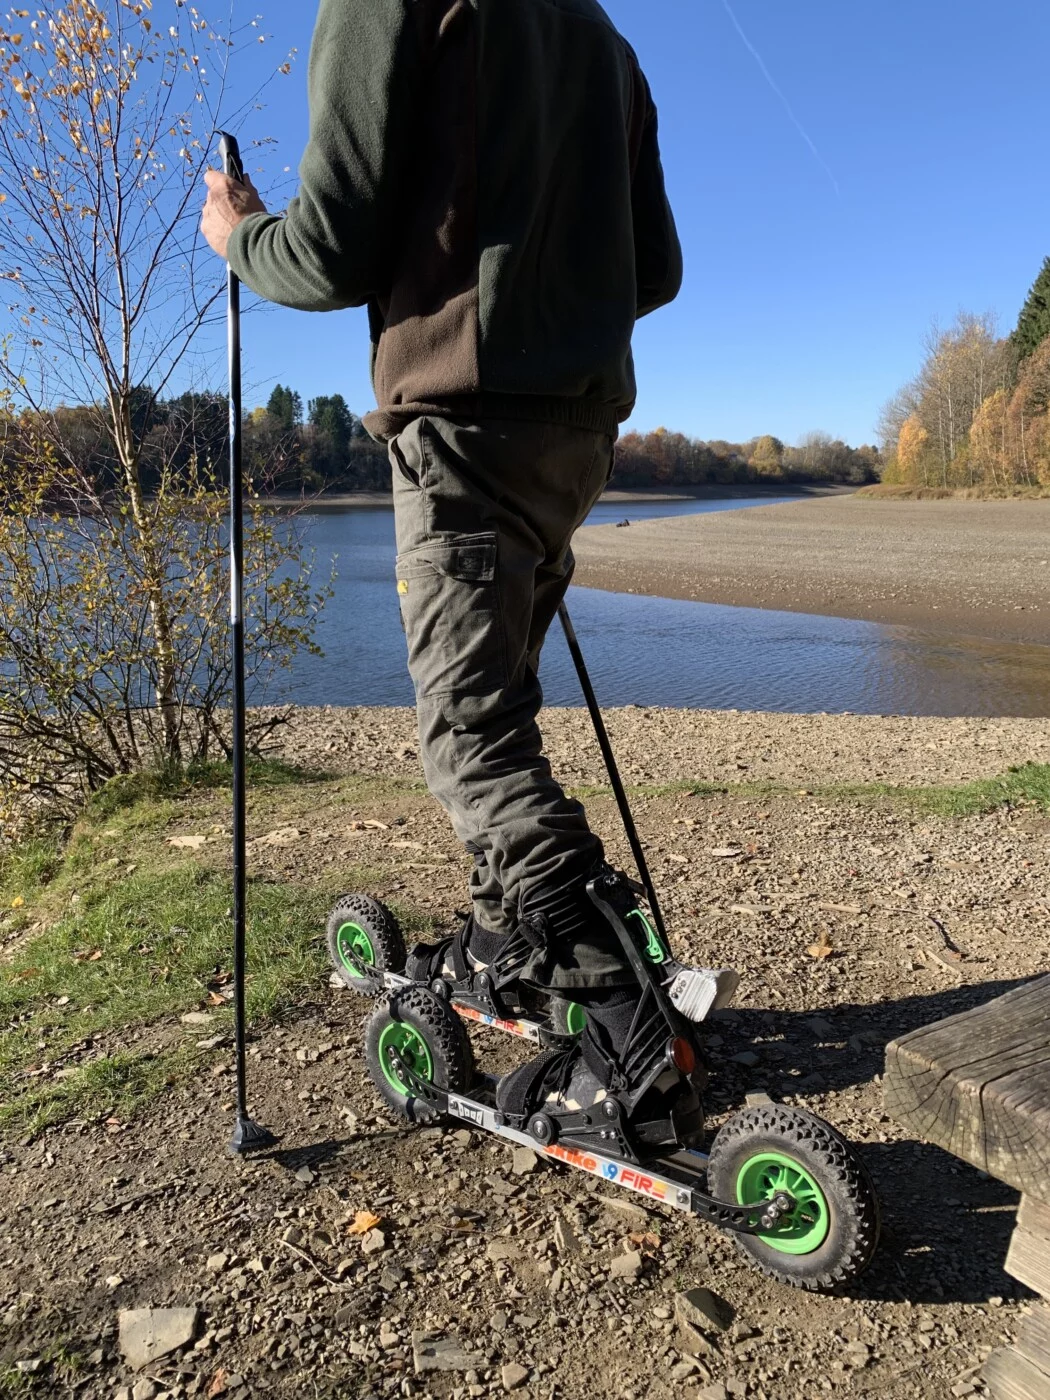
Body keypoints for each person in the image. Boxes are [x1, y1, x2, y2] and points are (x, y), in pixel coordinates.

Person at [202, 0, 729, 1145]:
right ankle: (502, 940)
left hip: (460, 426)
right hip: (576, 438)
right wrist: (551, 312)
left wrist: (239, 234)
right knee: (502, 704)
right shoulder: (603, 38)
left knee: (470, 739)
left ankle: (628, 1037)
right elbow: (661, 268)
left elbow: (328, 250)